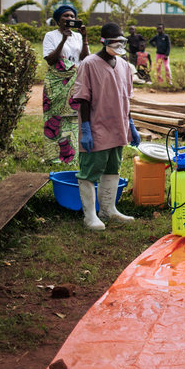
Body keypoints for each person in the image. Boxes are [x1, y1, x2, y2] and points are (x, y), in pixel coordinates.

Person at [72, 22, 141, 231]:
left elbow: (126, 98)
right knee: (91, 170)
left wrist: (130, 124)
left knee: (112, 168)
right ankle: (90, 216)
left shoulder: (124, 65)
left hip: (118, 126)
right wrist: (86, 129)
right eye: (113, 40)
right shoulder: (89, 64)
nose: (118, 44)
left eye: (121, 40)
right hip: (96, 127)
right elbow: (83, 98)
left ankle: (108, 209)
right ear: (103, 41)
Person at [42, 5, 88, 166]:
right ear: (58, 20)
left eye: (72, 16)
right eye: (65, 16)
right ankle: (52, 156)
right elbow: (50, 60)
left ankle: (70, 157)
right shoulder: (51, 35)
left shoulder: (78, 37)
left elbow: (85, 59)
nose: (69, 19)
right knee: (53, 118)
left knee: (73, 118)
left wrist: (85, 38)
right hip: (56, 82)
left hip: (74, 81)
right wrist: (63, 40)